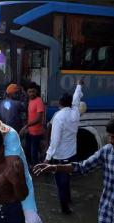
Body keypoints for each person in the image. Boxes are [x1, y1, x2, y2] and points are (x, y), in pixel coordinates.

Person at [44, 80, 84, 214]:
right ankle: (69, 200)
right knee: (67, 179)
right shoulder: (75, 112)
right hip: (72, 154)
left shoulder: (59, 117)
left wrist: (47, 158)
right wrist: (79, 85)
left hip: (60, 156)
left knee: (60, 184)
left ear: (60, 103)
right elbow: (77, 100)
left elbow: (55, 140)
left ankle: (65, 210)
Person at [20, 82, 45, 167]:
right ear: (27, 92)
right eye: (30, 92)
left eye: (33, 91)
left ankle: (37, 169)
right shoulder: (30, 100)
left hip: (36, 132)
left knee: (34, 153)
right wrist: (27, 127)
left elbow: (39, 119)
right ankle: (32, 167)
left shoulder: (39, 101)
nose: (31, 93)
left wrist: (26, 126)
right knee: (27, 150)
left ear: (36, 91)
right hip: (30, 131)